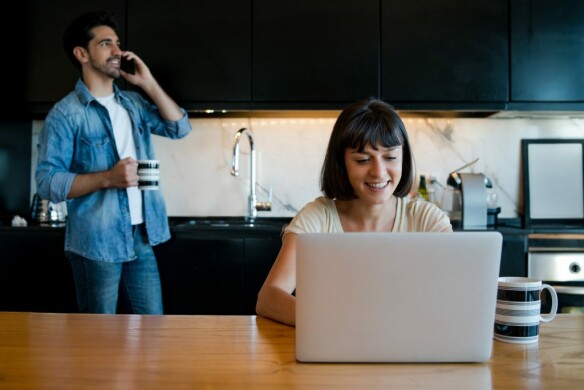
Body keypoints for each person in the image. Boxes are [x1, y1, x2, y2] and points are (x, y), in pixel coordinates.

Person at [35, 10, 192, 314]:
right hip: (96, 242)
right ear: (82, 54)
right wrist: (108, 178)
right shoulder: (65, 114)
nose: (118, 51)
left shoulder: (133, 104)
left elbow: (179, 127)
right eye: (106, 44)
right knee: (98, 339)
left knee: (152, 333)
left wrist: (147, 83)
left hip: (141, 235)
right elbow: (46, 183)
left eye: (118, 43)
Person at [256, 97, 452, 326]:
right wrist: (338, 323)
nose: (378, 172)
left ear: (403, 160)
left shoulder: (427, 221)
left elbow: (454, 297)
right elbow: (268, 298)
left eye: (390, 157)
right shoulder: (317, 218)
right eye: (362, 160)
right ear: (342, 164)